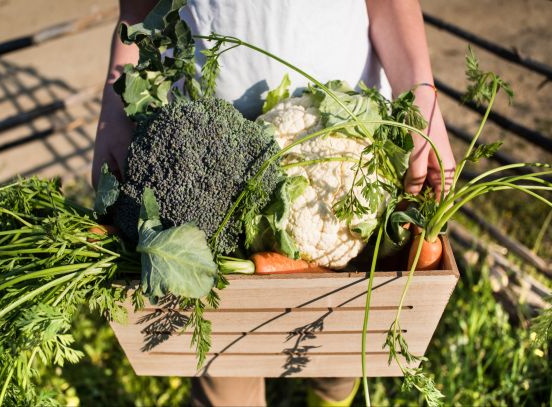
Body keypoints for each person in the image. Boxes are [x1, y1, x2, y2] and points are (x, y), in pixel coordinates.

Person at [92, 1, 456, 405]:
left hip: (351, 140)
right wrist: (115, 106)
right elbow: (139, 7)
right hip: (205, 157)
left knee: (342, 348)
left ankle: (330, 393)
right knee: (222, 370)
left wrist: (421, 93)